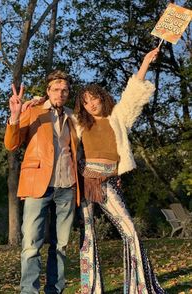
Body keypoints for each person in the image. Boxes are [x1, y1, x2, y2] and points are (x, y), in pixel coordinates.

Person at [74, 48, 165, 293]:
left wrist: (145, 62)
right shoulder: (79, 123)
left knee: (130, 230)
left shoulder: (117, 117)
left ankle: (140, 287)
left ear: (102, 98)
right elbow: (57, 124)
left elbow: (133, 94)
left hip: (109, 182)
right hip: (86, 182)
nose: (91, 104)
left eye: (94, 98)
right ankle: (90, 289)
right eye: (86, 101)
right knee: (88, 236)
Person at [4, 70, 80, 294]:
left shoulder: (71, 116)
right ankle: (29, 291)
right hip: (37, 186)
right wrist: (16, 115)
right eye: (56, 89)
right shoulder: (33, 111)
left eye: (64, 90)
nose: (60, 93)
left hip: (66, 186)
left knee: (61, 246)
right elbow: (11, 144)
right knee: (30, 245)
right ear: (48, 91)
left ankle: (54, 291)